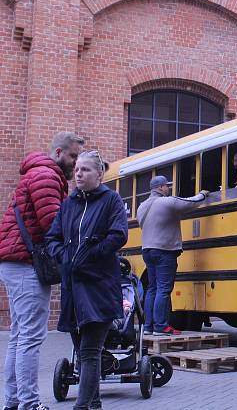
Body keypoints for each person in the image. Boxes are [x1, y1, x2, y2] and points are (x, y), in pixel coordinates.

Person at [0, 131, 84, 410]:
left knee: (20, 335)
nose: (75, 163)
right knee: (31, 337)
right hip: (25, 263)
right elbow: (53, 225)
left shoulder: (38, 173)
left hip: (16, 261)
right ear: (58, 153)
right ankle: (29, 403)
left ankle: (13, 401)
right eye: (73, 156)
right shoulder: (47, 177)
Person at [46, 150, 128, 410]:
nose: (78, 173)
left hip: (99, 285)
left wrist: (90, 255)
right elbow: (52, 239)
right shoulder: (68, 205)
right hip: (73, 287)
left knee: (90, 352)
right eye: (77, 169)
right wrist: (66, 257)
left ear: (99, 174)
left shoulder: (111, 201)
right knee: (83, 350)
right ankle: (94, 404)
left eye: (85, 170)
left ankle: (82, 407)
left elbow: (118, 235)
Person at [136, 175, 208, 335]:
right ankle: (161, 326)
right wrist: (203, 194)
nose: (168, 188)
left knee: (151, 288)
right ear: (161, 187)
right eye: (166, 186)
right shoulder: (167, 202)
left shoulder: (141, 207)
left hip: (147, 250)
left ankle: (148, 327)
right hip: (164, 251)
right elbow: (192, 202)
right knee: (163, 288)